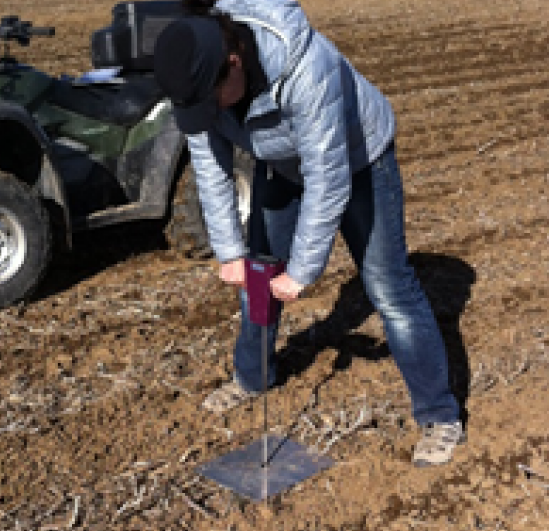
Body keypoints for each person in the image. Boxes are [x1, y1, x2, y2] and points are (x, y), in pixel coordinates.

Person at [153, 0, 464, 466]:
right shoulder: (199, 80)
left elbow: (328, 175)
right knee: (256, 278)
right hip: (281, 162)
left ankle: (440, 415)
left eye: (210, 101)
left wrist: (302, 271)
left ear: (233, 63)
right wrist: (230, 251)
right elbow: (211, 168)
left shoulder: (304, 67)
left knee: (388, 286)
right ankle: (252, 378)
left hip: (358, 161)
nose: (207, 113)